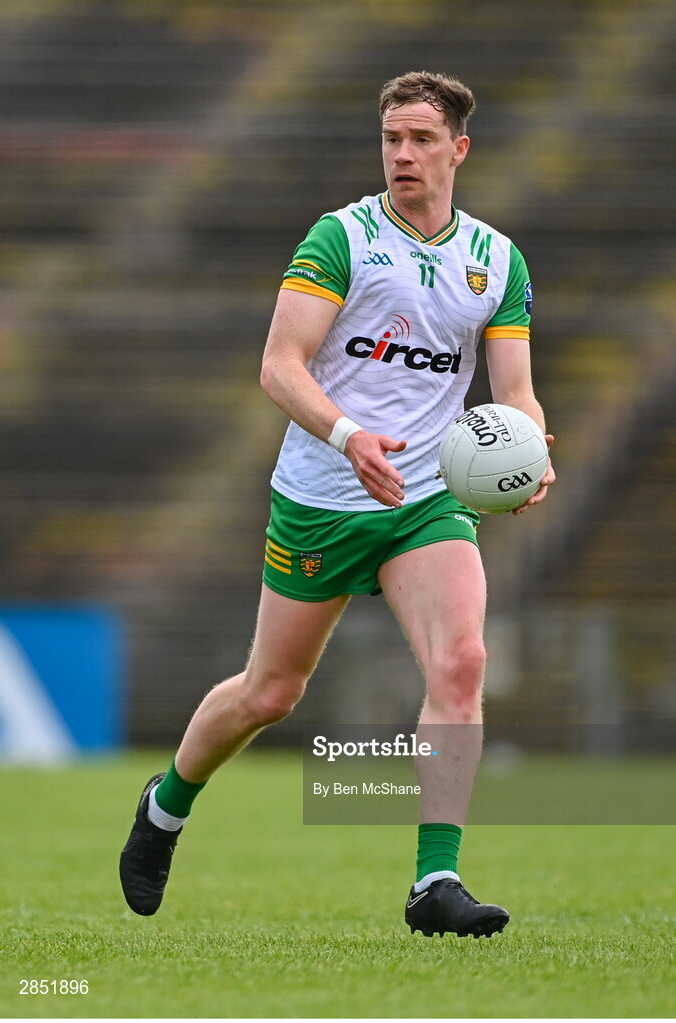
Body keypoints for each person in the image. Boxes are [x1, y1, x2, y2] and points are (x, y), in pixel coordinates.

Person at [120, 70, 555, 939]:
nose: (403, 154)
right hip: (323, 493)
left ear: (458, 149)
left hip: (427, 497)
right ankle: (165, 806)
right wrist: (349, 434)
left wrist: (530, 453)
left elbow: (516, 392)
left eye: (422, 139)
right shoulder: (343, 237)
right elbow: (280, 365)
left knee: (461, 662)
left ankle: (436, 879)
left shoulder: (496, 260)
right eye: (392, 138)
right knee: (270, 692)